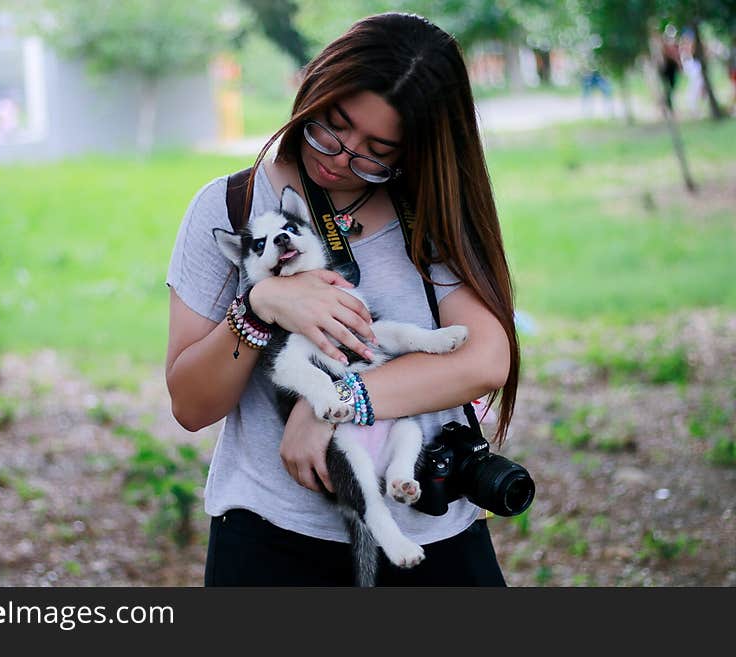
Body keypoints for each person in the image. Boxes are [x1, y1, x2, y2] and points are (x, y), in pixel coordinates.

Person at [165, 12, 519, 586]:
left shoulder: (430, 212)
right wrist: (261, 306)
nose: (339, 157)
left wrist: (334, 401)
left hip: (432, 538)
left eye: (377, 151)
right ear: (315, 88)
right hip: (269, 542)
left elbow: (484, 360)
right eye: (331, 126)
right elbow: (190, 404)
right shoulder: (231, 207)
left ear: (415, 151)